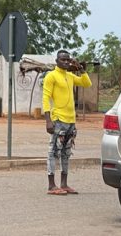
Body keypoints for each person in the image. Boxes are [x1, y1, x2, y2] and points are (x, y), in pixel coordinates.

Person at [43, 49, 92, 195]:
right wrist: (48, 120)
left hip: (71, 120)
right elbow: (46, 98)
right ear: (56, 61)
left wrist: (81, 69)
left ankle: (64, 184)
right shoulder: (51, 76)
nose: (65, 62)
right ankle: (52, 185)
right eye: (63, 60)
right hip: (58, 119)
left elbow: (87, 83)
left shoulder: (70, 76)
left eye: (68, 60)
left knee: (66, 153)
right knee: (53, 152)